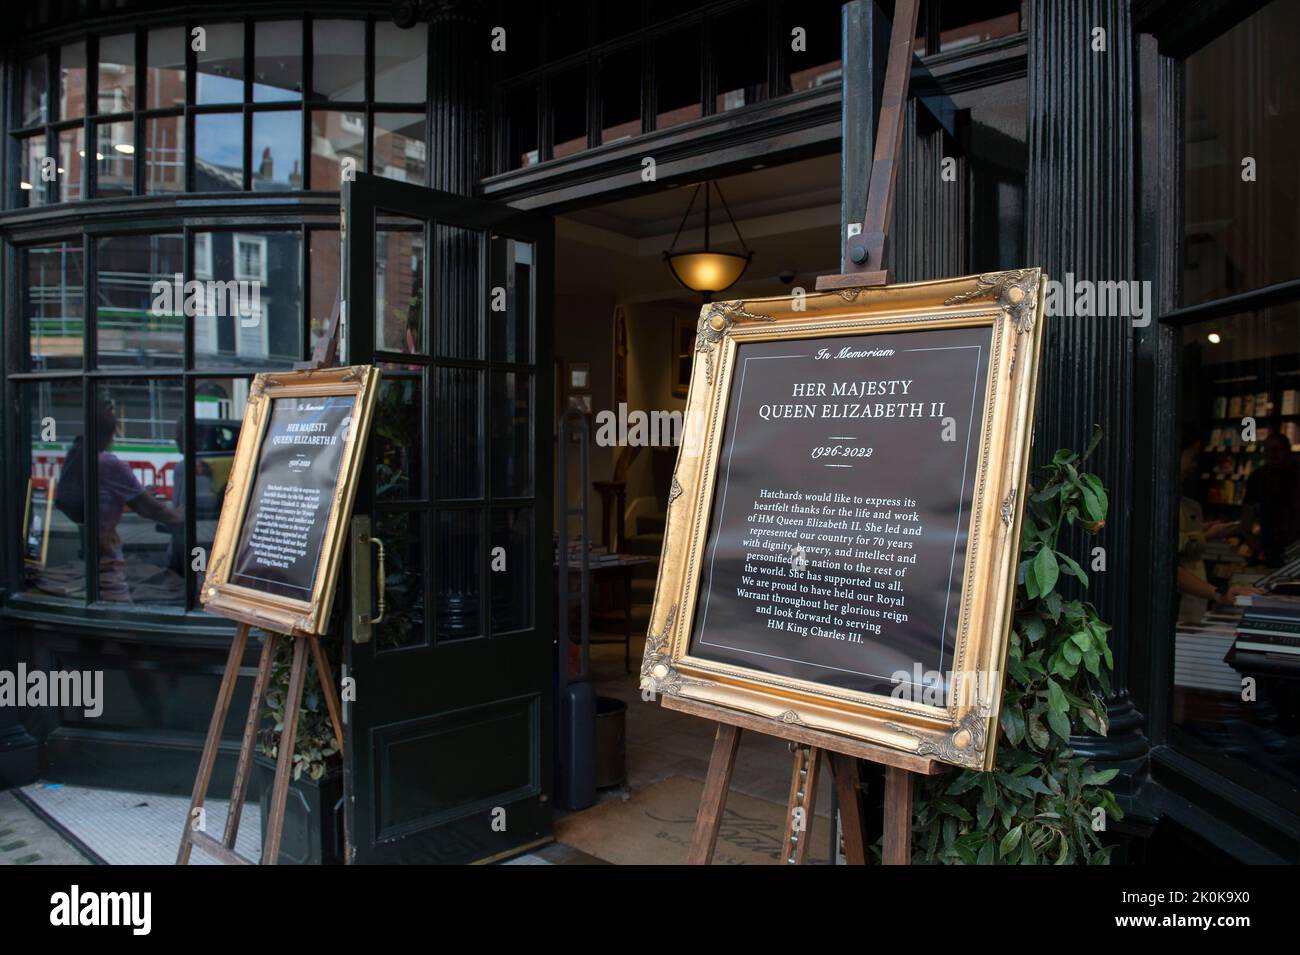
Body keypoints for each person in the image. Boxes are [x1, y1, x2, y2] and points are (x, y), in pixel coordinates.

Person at [59, 402, 182, 601]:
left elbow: (97, 501)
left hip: (89, 551)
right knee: (118, 604)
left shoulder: (77, 455)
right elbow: (149, 508)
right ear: (109, 433)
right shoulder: (108, 463)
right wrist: (179, 519)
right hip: (106, 555)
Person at [1177, 432, 1260, 622]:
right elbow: (1173, 553)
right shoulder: (1165, 500)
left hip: (1191, 600)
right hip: (1183, 601)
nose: (1194, 464)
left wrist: (1206, 531)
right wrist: (1219, 594)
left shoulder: (1180, 500)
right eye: (1191, 456)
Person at [1241, 431, 1300, 567]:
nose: (1272, 454)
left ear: (1287, 450)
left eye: (1276, 449)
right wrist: (1248, 535)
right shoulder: (1258, 476)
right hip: (1269, 541)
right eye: (1267, 450)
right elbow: (1248, 509)